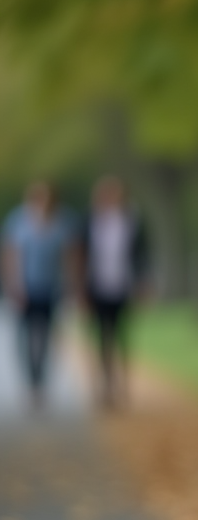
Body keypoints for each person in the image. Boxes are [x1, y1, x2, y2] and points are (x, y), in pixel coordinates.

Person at [2, 181, 78, 408]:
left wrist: (72, 285)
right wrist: (13, 285)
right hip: (25, 288)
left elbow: (70, 256)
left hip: (51, 289)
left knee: (46, 337)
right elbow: (10, 255)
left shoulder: (63, 223)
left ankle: (41, 382)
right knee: (24, 338)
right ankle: (31, 381)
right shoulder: (18, 221)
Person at [79, 175, 150, 407]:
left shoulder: (133, 221)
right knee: (102, 337)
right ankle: (106, 385)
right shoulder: (89, 221)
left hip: (123, 286)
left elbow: (142, 254)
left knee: (122, 336)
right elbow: (80, 255)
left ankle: (123, 384)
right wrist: (80, 289)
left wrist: (143, 283)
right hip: (97, 287)